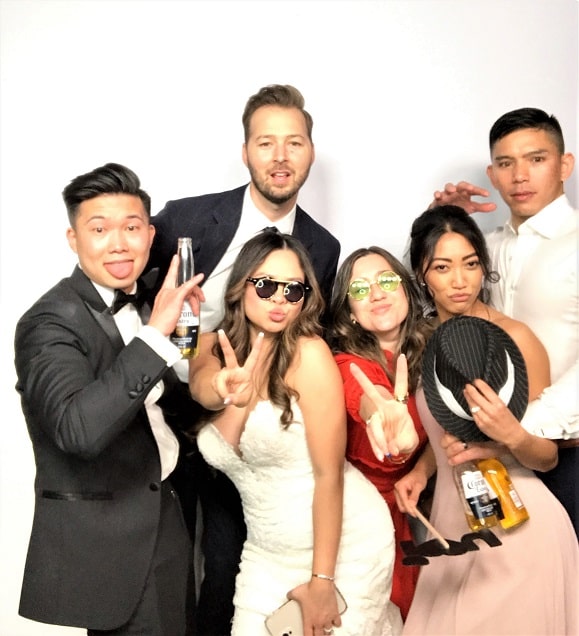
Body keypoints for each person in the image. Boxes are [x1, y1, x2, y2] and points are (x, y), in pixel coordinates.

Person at [148, 84, 341, 634]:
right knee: (161, 573)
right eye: (265, 143)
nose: (280, 158)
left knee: (227, 570)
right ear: (245, 151)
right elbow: (132, 280)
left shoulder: (323, 249)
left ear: (309, 152)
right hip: (163, 416)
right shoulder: (184, 220)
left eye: (294, 143)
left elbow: (312, 342)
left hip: (244, 433)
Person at [14, 163, 205, 635]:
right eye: (98, 229)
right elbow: (77, 430)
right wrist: (156, 335)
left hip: (167, 515)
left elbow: (157, 403)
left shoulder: (146, 301)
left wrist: (205, 372)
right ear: (73, 239)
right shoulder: (48, 323)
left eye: (131, 228)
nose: (118, 243)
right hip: (111, 543)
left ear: (149, 233)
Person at [188, 230, 403, 636]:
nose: (279, 300)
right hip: (266, 553)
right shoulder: (209, 347)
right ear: (241, 286)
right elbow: (201, 387)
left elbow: (329, 476)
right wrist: (221, 388)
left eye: (294, 290)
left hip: (344, 549)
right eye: (266, 285)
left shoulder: (309, 354)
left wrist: (323, 581)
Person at [396, 205, 578, 635]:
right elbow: (446, 426)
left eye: (470, 263)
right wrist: (422, 471)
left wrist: (510, 435)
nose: (460, 280)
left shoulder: (514, 340)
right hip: (451, 530)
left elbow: (546, 457)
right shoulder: (423, 341)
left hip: (518, 533)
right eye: (442, 267)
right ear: (422, 275)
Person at [430, 107, 578, 533]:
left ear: (564, 165)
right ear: (492, 174)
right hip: (486, 454)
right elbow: (429, 299)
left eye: (536, 159)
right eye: (506, 163)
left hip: (565, 453)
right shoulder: (485, 248)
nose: (520, 176)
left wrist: (520, 430)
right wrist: (444, 225)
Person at [326, 247, 434, 621]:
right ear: (349, 313)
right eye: (360, 289)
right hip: (354, 522)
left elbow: (449, 429)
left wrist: (420, 470)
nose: (376, 293)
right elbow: (367, 398)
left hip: (412, 510)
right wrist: (383, 413)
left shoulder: (438, 348)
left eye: (387, 281)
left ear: (406, 289)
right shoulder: (344, 364)